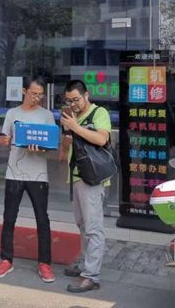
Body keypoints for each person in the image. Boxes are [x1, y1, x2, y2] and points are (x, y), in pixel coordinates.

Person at [0, 76, 56, 283]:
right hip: (14, 173)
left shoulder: (46, 115)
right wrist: (4, 140)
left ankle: (44, 263)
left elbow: (52, 145)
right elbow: (4, 139)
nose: (37, 98)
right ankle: (6, 260)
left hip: (38, 174)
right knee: (9, 217)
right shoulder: (12, 113)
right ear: (24, 91)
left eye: (40, 95)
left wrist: (42, 148)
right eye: (33, 93)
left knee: (42, 219)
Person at [60, 80, 112, 293]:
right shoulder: (72, 117)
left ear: (86, 95)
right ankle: (85, 265)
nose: (73, 104)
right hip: (76, 177)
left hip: (92, 179)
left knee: (93, 228)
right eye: (68, 101)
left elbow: (101, 139)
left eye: (76, 99)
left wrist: (75, 127)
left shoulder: (99, 113)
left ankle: (92, 276)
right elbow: (65, 150)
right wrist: (67, 133)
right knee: (82, 224)